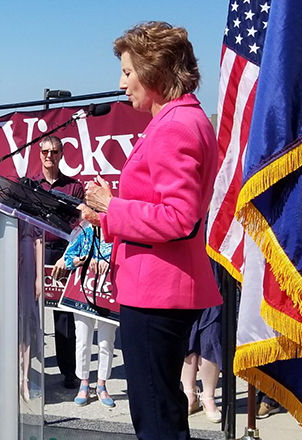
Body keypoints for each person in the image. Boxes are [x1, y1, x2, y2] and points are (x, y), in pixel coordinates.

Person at [81, 21, 222, 440]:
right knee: (162, 407)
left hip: (158, 291)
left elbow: (179, 218)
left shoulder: (174, 126)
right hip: (164, 287)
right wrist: (107, 214)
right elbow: (167, 208)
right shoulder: (184, 119)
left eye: (127, 72)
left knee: (156, 414)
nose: (121, 84)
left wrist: (113, 206)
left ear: (155, 71)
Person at [38, 135, 85, 390]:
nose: (50, 156)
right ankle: (31, 371)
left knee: (65, 314)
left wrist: (69, 257)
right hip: (36, 250)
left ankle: (69, 371)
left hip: (64, 252)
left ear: (61, 155)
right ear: (39, 154)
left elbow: (79, 222)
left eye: (55, 152)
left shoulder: (73, 187)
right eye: (46, 151)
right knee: (31, 314)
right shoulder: (31, 185)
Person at [61, 226, 116, 408]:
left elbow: (126, 257)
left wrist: (110, 262)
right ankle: (84, 382)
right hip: (83, 288)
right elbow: (68, 258)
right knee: (83, 339)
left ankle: (102, 384)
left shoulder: (117, 231)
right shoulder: (83, 232)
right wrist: (81, 260)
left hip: (109, 291)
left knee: (106, 341)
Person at [181, 305, 222, 423]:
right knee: (187, 337)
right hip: (187, 292)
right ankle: (189, 394)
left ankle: (208, 397)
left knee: (211, 337)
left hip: (214, 291)